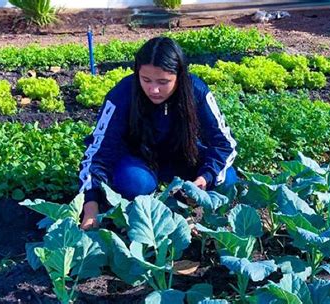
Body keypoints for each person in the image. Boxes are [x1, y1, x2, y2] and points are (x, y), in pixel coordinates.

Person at [79, 37, 238, 230]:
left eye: (163, 82)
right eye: (146, 80)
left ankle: (191, 207)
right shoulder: (122, 94)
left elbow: (223, 144)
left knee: (227, 178)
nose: (153, 89)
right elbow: (99, 152)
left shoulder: (196, 91)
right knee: (134, 182)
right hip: (139, 159)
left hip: (183, 157)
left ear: (179, 75)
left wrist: (203, 179)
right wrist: (90, 208)